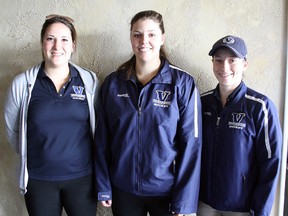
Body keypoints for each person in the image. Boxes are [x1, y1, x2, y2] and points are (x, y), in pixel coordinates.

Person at [94, 10, 202, 216]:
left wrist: (184, 202)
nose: (144, 41)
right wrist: (103, 185)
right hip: (123, 189)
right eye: (137, 34)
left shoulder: (183, 84)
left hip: (166, 192)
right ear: (131, 38)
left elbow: (192, 146)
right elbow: (102, 139)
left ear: (162, 38)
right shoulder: (113, 83)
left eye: (151, 34)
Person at [4, 14, 99, 216]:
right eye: (50, 38)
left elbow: (98, 127)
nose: (57, 46)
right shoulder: (22, 84)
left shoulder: (89, 81)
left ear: (73, 45)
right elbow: (13, 130)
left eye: (64, 39)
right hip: (39, 181)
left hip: (82, 180)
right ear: (42, 43)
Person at [198, 35, 282, 216]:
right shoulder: (201, 102)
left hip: (241, 208)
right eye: (218, 60)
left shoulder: (260, 106)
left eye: (232, 60)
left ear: (245, 64)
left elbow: (271, 163)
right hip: (204, 204)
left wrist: (261, 211)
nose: (224, 67)